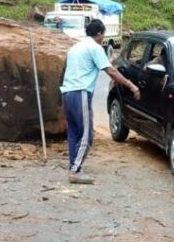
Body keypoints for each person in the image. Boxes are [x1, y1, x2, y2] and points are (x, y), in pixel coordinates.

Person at [60, 19, 140, 184]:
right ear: (99, 34)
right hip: (80, 92)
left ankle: (74, 166)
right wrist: (131, 85)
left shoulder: (75, 48)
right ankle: (75, 171)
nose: (103, 39)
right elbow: (110, 70)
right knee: (87, 134)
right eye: (103, 35)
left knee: (74, 132)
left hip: (67, 92)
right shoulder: (95, 48)